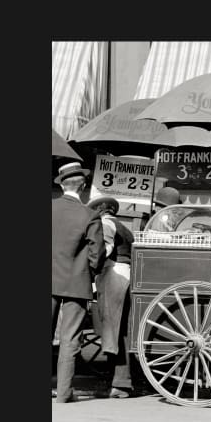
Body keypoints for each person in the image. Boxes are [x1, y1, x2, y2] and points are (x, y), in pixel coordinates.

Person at [52, 162, 106, 403]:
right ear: (83, 186)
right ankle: (64, 393)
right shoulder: (90, 215)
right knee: (70, 338)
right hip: (76, 283)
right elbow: (97, 253)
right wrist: (88, 274)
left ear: (62, 185)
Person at [86, 195, 137, 398]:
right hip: (126, 274)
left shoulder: (105, 224)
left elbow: (103, 251)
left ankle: (120, 384)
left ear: (99, 211)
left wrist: (88, 268)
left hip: (113, 274)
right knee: (120, 329)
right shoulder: (123, 226)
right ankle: (120, 382)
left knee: (112, 328)